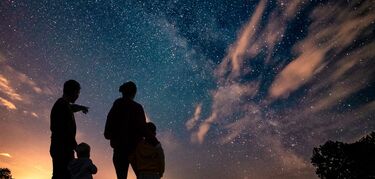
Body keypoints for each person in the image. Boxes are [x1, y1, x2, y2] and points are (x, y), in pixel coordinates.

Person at [104, 81, 158, 179]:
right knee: (141, 176)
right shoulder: (137, 107)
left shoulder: (117, 104)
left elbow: (107, 130)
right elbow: (143, 128)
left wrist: (113, 136)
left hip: (119, 150)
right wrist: (155, 143)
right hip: (135, 151)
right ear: (134, 92)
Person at [50, 80, 89, 179]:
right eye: (77, 93)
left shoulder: (64, 104)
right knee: (62, 175)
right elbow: (63, 131)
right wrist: (75, 146)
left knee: (63, 175)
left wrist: (81, 107)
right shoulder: (62, 105)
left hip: (63, 148)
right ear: (72, 91)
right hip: (61, 149)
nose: (78, 96)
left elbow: (72, 108)